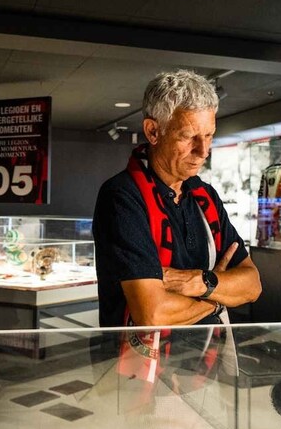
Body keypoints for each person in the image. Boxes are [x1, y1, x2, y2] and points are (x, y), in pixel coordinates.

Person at [93, 69, 261, 330]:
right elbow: (152, 313)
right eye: (188, 136)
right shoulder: (122, 196)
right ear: (153, 132)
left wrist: (198, 282)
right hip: (138, 367)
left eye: (208, 135)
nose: (203, 150)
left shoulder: (205, 196)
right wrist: (218, 298)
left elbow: (252, 284)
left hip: (208, 361)